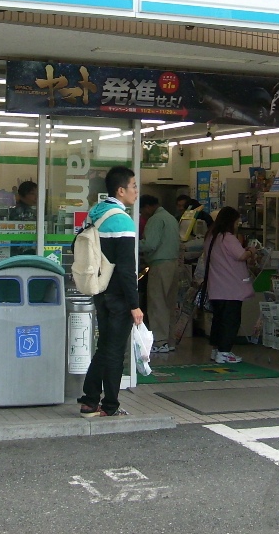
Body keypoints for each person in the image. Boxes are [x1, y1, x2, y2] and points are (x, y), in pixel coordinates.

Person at [77, 166, 143, 418]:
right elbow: (127, 269)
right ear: (121, 190)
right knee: (115, 351)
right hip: (118, 296)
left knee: (104, 346)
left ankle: (89, 400)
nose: (136, 191)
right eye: (134, 186)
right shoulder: (122, 221)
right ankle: (110, 405)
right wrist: (135, 304)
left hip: (100, 290)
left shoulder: (94, 214)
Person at [201, 206, 256, 364]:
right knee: (230, 321)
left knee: (219, 320)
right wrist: (252, 251)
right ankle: (224, 352)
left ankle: (217, 350)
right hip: (231, 288)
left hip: (216, 287)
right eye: (237, 221)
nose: (238, 224)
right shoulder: (228, 238)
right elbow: (241, 255)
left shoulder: (211, 237)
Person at [138, 194, 180, 355]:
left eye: (142, 210)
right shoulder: (170, 218)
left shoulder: (155, 220)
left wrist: (133, 243)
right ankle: (169, 341)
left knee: (157, 304)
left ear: (148, 207)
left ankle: (159, 341)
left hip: (160, 265)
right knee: (169, 304)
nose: (142, 214)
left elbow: (149, 244)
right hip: (173, 264)